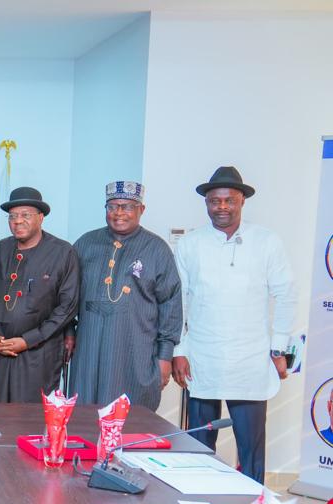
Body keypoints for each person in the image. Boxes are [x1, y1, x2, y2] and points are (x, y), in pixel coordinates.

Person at [172, 166, 296, 483]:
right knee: (199, 447)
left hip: (250, 360)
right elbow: (178, 302)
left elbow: (286, 295)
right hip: (202, 358)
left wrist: (278, 349)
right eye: (215, 201)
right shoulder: (190, 244)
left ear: (242, 201)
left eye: (229, 200)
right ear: (206, 203)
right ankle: (199, 500)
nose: (222, 207)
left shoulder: (267, 241)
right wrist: (179, 350)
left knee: (251, 451)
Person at [71, 181, 182, 410]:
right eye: (112, 206)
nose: (119, 213)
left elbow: (170, 303)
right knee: (84, 414)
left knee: (131, 416)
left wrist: (165, 356)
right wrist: (68, 334)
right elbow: (67, 295)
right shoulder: (85, 244)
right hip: (88, 351)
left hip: (135, 351)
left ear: (141, 209)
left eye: (127, 207)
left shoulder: (156, 249)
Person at [0, 187, 80, 403]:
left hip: (39, 355)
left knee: (31, 416)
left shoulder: (63, 252)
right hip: (0, 352)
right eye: (12, 216)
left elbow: (68, 307)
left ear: (40, 217)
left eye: (25, 215)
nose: (18, 221)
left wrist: (28, 340)